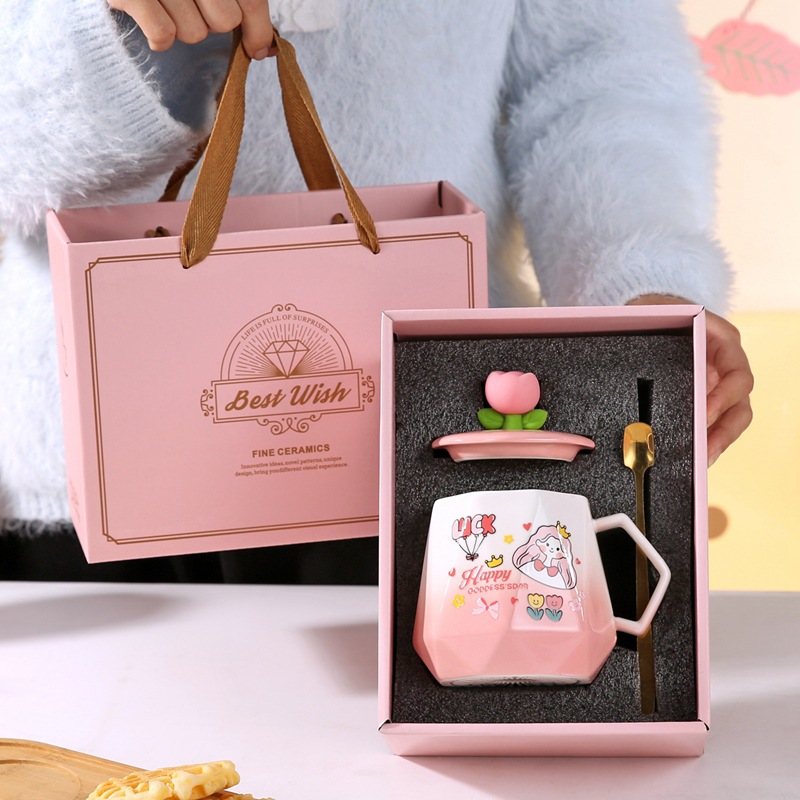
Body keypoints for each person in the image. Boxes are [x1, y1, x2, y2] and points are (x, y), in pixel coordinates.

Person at [0, 0, 753, 582]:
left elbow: (599, 80)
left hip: (439, 460)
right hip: (85, 479)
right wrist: (93, 31)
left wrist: (636, 284)